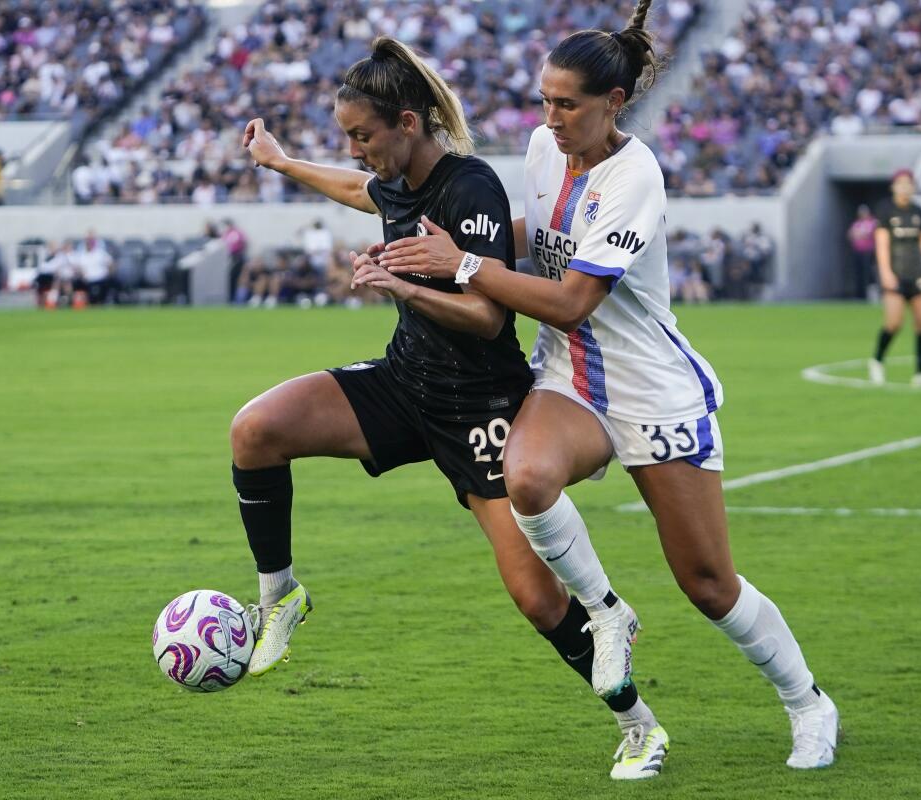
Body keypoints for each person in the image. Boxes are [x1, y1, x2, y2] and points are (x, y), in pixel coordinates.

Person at [379, 0, 838, 772]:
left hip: (651, 387)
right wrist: (474, 244)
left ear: (613, 103)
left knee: (707, 582)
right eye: (544, 100)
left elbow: (570, 297)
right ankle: (606, 614)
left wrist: (461, 265)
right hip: (569, 375)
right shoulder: (538, 149)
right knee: (525, 476)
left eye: (567, 104)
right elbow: (538, 240)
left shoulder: (637, 176)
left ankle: (807, 703)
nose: (550, 117)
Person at [237, 36, 667, 779]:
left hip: (482, 407)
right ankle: (279, 597)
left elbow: (487, 319)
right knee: (257, 429)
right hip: (408, 385)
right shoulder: (395, 176)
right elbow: (358, 190)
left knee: (537, 599)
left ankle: (639, 725)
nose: (356, 150)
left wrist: (400, 287)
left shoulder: (470, 188)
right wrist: (281, 162)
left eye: (363, 136)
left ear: (408, 123)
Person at [868, 169, 921, 387]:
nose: (904, 187)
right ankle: (877, 361)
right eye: (900, 183)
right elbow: (881, 242)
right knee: (894, 323)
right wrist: (885, 272)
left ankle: (920, 373)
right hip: (895, 272)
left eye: (908, 183)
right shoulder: (885, 210)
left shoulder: (918, 211)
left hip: (917, 273)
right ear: (893, 186)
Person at [847, 204, 877, 300]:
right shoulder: (857, 223)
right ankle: (860, 295)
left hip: (868, 252)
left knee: (868, 274)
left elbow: (867, 234)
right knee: (858, 274)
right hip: (858, 252)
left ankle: (871, 295)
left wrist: (859, 234)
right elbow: (850, 235)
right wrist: (858, 234)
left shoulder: (872, 222)